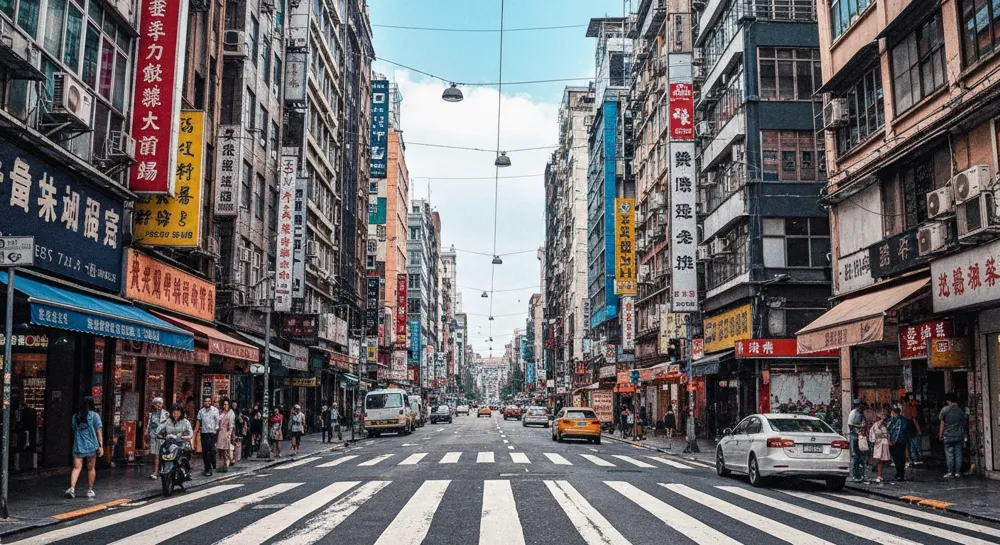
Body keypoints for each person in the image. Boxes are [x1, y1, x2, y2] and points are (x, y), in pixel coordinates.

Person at [65, 397, 103, 499]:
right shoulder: (95, 416)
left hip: (78, 445)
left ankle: (72, 489)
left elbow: (74, 429)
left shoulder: (75, 416)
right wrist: (101, 446)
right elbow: (99, 431)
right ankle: (90, 490)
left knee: (77, 467)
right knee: (91, 468)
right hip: (91, 446)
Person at [157, 403, 195, 480]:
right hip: (170, 442)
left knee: (186, 451)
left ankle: (186, 470)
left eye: (178, 413)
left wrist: (181, 437)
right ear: (171, 413)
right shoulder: (167, 421)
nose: (175, 415)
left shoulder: (185, 422)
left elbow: (190, 434)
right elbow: (159, 429)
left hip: (182, 442)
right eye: (174, 413)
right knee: (162, 449)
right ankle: (160, 468)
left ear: (181, 413)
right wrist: (161, 435)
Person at [939, 394, 966, 478]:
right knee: (958, 454)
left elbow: (942, 423)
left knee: (949, 454)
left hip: (948, 436)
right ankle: (958, 472)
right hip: (958, 435)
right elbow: (963, 422)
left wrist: (940, 434)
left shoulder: (944, 410)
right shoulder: (960, 410)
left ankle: (950, 472)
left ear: (948, 401)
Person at [194, 396, 220, 476]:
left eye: (209, 401)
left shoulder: (215, 410)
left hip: (212, 432)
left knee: (211, 450)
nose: (207, 403)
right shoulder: (201, 411)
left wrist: (216, 430)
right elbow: (198, 422)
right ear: (203, 402)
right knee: (205, 452)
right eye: (206, 401)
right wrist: (195, 431)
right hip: (204, 432)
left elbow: (217, 422)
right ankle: (207, 468)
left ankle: (212, 464)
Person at [147, 397, 169, 480]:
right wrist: (149, 433)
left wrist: (164, 434)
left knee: (164, 454)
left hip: (163, 437)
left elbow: (168, 425)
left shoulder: (166, 414)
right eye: (157, 403)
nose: (159, 405)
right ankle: (155, 472)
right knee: (156, 455)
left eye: (160, 403)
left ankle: (163, 470)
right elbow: (149, 425)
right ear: (154, 404)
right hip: (154, 436)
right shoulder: (151, 414)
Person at [847, 399, 868, 482]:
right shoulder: (853, 413)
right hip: (854, 436)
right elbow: (850, 424)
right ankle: (856, 475)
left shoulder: (861, 413)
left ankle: (861, 475)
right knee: (856, 456)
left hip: (860, 436)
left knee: (862, 456)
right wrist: (859, 427)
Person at [869, 410, 892, 484]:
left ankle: (879, 474)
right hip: (879, 444)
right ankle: (879, 475)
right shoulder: (877, 424)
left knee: (882, 460)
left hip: (883, 443)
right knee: (879, 460)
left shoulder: (885, 424)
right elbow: (877, 429)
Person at [887, 406, 909, 481]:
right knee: (898, 458)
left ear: (893, 412)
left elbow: (897, 432)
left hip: (897, 442)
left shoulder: (899, 420)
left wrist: (893, 441)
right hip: (900, 441)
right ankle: (899, 473)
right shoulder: (894, 420)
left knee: (898, 458)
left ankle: (900, 474)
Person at [901, 394, 923, 467]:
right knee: (914, 445)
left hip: (907, 429)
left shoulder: (904, 409)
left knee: (909, 446)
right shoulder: (911, 408)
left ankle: (912, 460)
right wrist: (919, 430)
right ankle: (916, 459)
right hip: (912, 429)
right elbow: (914, 420)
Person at [216, 398, 236, 472]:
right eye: (224, 404)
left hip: (226, 433)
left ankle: (225, 465)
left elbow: (231, 425)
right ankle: (221, 465)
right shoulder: (221, 412)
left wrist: (229, 434)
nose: (225, 406)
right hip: (220, 433)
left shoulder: (231, 413)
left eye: (227, 404)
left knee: (226, 450)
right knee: (220, 450)